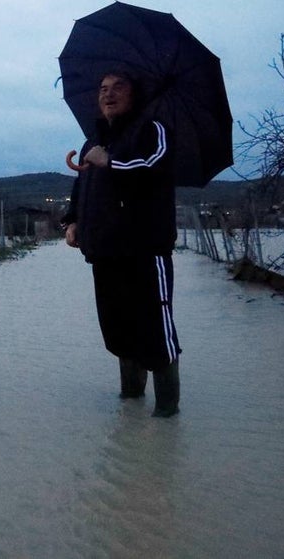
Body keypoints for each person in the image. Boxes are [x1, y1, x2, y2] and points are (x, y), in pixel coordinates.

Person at [60, 71, 181, 417]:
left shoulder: (153, 131)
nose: (108, 95)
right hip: (105, 252)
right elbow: (82, 189)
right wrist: (73, 221)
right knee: (118, 331)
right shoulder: (92, 142)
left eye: (118, 88)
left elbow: (153, 167)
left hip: (145, 250)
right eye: (102, 89)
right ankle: (130, 405)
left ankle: (167, 416)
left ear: (135, 94)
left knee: (155, 332)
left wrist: (112, 162)